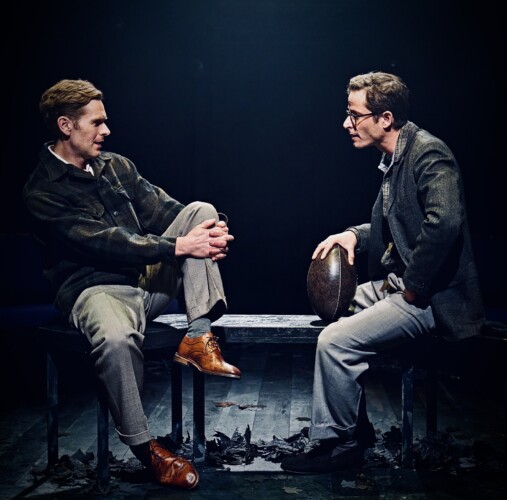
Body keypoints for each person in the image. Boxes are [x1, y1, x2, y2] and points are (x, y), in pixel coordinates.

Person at [23, 79, 241, 489]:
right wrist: (181, 246)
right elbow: (103, 242)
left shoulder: (116, 167)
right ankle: (146, 450)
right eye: (97, 123)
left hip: (145, 282)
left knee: (202, 211)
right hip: (95, 290)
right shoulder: (42, 191)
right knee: (117, 340)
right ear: (66, 125)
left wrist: (212, 234)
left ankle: (198, 336)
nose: (106, 131)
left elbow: (168, 212)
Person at [280, 71, 484, 474]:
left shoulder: (428, 154)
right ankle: (356, 428)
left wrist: (414, 287)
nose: (347, 123)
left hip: (431, 298)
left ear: (385, 118)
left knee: (335, 341)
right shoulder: (395, 158)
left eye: (354, 115)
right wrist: (353, 235)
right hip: (397, 286)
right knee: (333, 309)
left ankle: (340, 444)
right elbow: (395, 225)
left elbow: (444, 222)